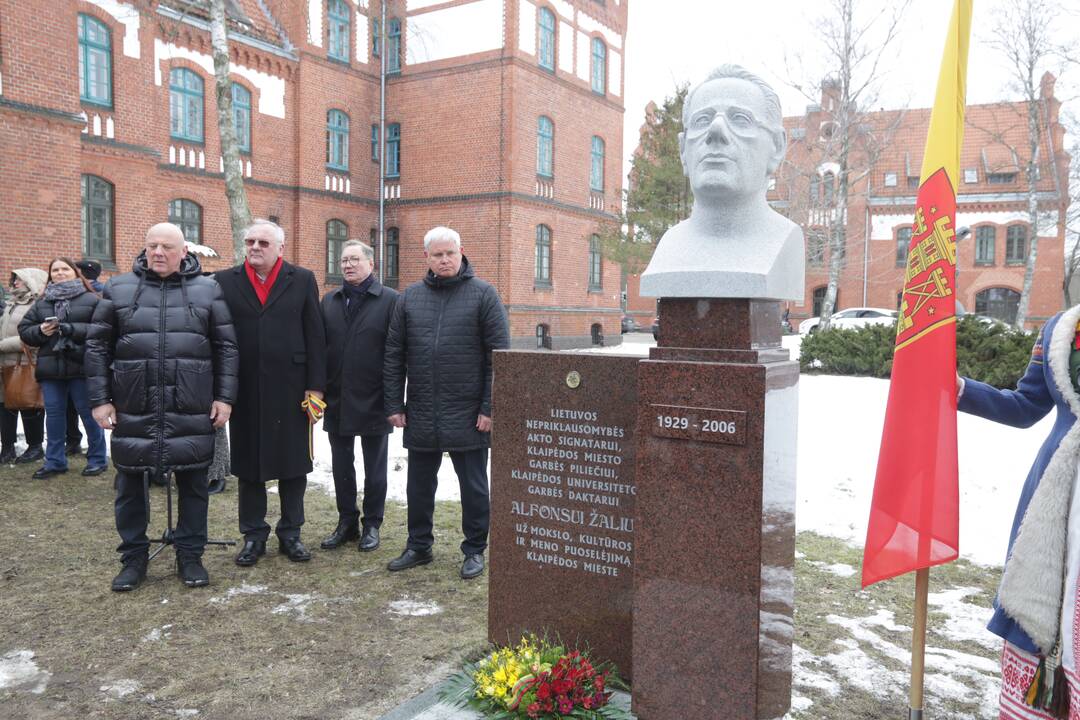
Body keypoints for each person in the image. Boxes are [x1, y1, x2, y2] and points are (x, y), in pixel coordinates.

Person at [86, 223, 238, 591]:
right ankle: (133, 558)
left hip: (191, 403)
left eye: (166, 247)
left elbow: (226, 348)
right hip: (133, 403)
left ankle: (190, 554)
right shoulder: (119, 288)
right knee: (129, 486)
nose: (158, 252)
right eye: (152, 245)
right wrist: (99, 400)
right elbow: (96, 348)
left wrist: (224, 397)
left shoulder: (208, 289)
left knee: (193, 483)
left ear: (183, 251)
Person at [957, 306, 1080, 716]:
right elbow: (1026, 406)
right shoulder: (1061, 328)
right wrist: (959, 389)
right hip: (1056, 495)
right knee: (1048, 608)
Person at [383, 226, 509, 579]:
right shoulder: (408, 298)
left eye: (450, 253)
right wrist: (395, 403)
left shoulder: (484, 295)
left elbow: (498, 357)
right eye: (437, 254)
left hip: (469, 414)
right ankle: (419, 545)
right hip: (422, 410)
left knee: (473, 487)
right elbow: (394, 354)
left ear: (461, 252)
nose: (444, 259)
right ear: (427, 257)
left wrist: (490, 407)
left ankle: (474, 549)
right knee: (419, 486)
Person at [214, 219, 326, 566]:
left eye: (263, 242)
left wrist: (316, 386)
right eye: (250, 241)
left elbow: (315, 335)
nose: (255, 247)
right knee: (249, 466)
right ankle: (253, 535)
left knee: (293, 465)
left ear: (281, 246)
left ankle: (291, 533)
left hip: (292, 388)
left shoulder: (302, 279)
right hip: (244, 388)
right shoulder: (224, 281)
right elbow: (218, 337)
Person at [640, 64, 803, 301]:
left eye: (740, 119)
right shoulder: (669, 247)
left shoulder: (784, 242)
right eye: (701, 120)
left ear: (777, 147)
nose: (716, 130)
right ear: (683, 149)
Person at [320, 240, 398, 553]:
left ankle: (372, 524)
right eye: (343, 261)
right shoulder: (330, 300)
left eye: (354, 260)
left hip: (375, 397)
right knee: (341, 465)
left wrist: (394, 398)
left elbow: (397, 352)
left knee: (375, 467)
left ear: (371, 264)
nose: (348, 266)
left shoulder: (390, 300)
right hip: (337, 397)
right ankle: (347, 521)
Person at [18, 258, 107, 478]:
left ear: (76, 273)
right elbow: (24, 330)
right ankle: (55, 462)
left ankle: (97, 459)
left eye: (64, 269)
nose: (59, 273)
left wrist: (69, 328)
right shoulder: (42, 302)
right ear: (50, 275)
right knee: (55, 416)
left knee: (89, 415)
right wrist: (40, 331)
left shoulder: (92, 299)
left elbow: (100, 330)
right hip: (51, 368)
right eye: (55, 270)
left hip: (81, 365)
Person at [0, 268, 47, 465]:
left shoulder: (38, 305)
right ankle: (7, 448)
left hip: (27, 362)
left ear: (31, 281)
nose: (15, 282)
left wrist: (2, 345)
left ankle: (35, 447)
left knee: (29, 404)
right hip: (5, 364)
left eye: (19, 279)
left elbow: (34, 336)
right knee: (4, 407)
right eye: (14, 279)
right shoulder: (11, 304)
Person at [65, 260, 105, 456]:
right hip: (63, 361)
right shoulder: (58, 297)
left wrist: (71, 330)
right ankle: (75, 443)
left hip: (83, 360)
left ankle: (96, 453)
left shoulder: (95, 296)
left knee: (85, 409)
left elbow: (98, 329)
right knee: (68, 409)